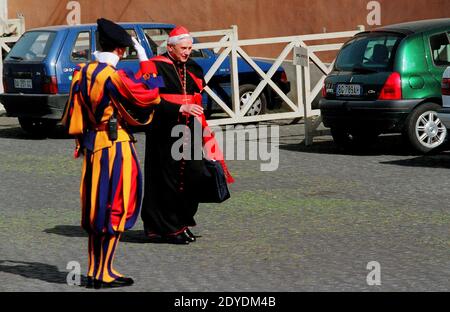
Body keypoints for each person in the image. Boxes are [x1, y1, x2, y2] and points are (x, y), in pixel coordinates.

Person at [61, 18, 162, 288]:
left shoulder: (82, 72)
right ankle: (104, 272)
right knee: (116, 206)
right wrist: (146, 62)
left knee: (97, 209)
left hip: (93, 145)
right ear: (120, 50)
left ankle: (96, 270)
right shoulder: (112, 77)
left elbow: (74, 113)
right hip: (115, 146)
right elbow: (150, 95)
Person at [141, 26, 233, 244]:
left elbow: (197, 97)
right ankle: (164, 228)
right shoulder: (154, 67)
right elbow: (150, 100)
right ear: (170, 47)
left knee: (193, 175)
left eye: (190, 48)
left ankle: (182, 221)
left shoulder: (193, 67)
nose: (187, 52)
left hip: (190, 129)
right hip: (164, 132)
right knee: (165, 180)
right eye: (183, 48)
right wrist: (179, 109)